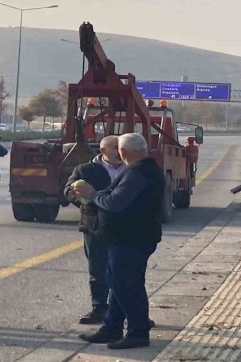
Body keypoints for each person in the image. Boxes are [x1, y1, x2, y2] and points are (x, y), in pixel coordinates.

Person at [72, 133, 164, 350]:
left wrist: (93, 195)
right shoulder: (145, 170)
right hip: (129, 237)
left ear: (124, 152)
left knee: (127, 285)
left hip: (132, 239)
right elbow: (115, 195)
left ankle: (138, 332)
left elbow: (115, 202)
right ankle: (111, 327)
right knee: (117, 283)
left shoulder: (138, 173)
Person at [63, 135, 126, 325]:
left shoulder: (131, 169)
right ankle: (99, 307)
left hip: (124, 226)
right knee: (97, 268)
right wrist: (77, 196)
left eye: (121, 147)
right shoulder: (86, 170)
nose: (120, 151)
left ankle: (127, 309)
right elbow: (68, 191)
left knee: (125, 269)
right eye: (115, 147)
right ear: (103, 151)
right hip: (95, 226)